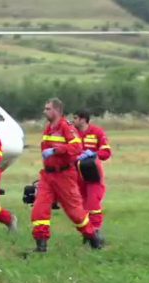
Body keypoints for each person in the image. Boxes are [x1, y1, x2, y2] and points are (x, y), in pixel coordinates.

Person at [31, 98, 105, 252]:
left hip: (64, 175)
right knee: (39, 209)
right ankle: (41, 245)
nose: (44, 111)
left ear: (56, 110)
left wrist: (56, 151)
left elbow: (76, 146)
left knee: (75, 212)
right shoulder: (48, 127)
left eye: (48, 109)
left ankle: (92, 236)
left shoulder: (66, 126)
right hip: (47, 175)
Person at [72, 109, 112, 242]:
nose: (73, 121)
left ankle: (95, 233)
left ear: (83, 119)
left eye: (75, 118)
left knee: (93, 204)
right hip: (76, 175)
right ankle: (87, 233)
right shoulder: (71, 133)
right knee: (81, 206)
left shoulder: (97, 132)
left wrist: (94, 154)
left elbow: (106, 152)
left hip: (92, 174)